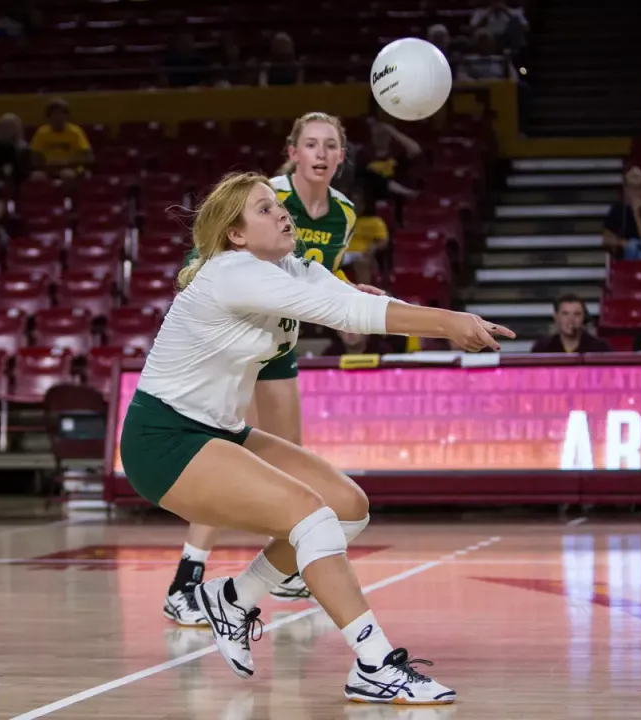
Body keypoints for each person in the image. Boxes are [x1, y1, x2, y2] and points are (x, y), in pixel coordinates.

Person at [122, 172, 512, 702]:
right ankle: (374, 664)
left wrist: (358, 293)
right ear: (235, 234)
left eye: (278, 204)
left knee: (347, 506)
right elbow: (350, 312)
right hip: (161, 437)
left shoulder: (288, 266)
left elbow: (345, 297)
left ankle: (234, 598)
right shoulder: (232, 272)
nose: (282, 212)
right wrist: (448, 322)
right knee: (311, 517)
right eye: (264, 209)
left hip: (219, 429)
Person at [163, 112, 371, 625]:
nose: (321, 154)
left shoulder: (342, 213)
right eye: (311, 145)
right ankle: (187, 580)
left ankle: (286, 565)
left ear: (342, 157)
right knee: (229, 458)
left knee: (290, 459)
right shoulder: (268, 199)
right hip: (234, 339)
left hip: (277, 344)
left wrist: (346, 298)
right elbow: (208, 253)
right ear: (293, 152)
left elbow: (313, 275)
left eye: (331, 146)